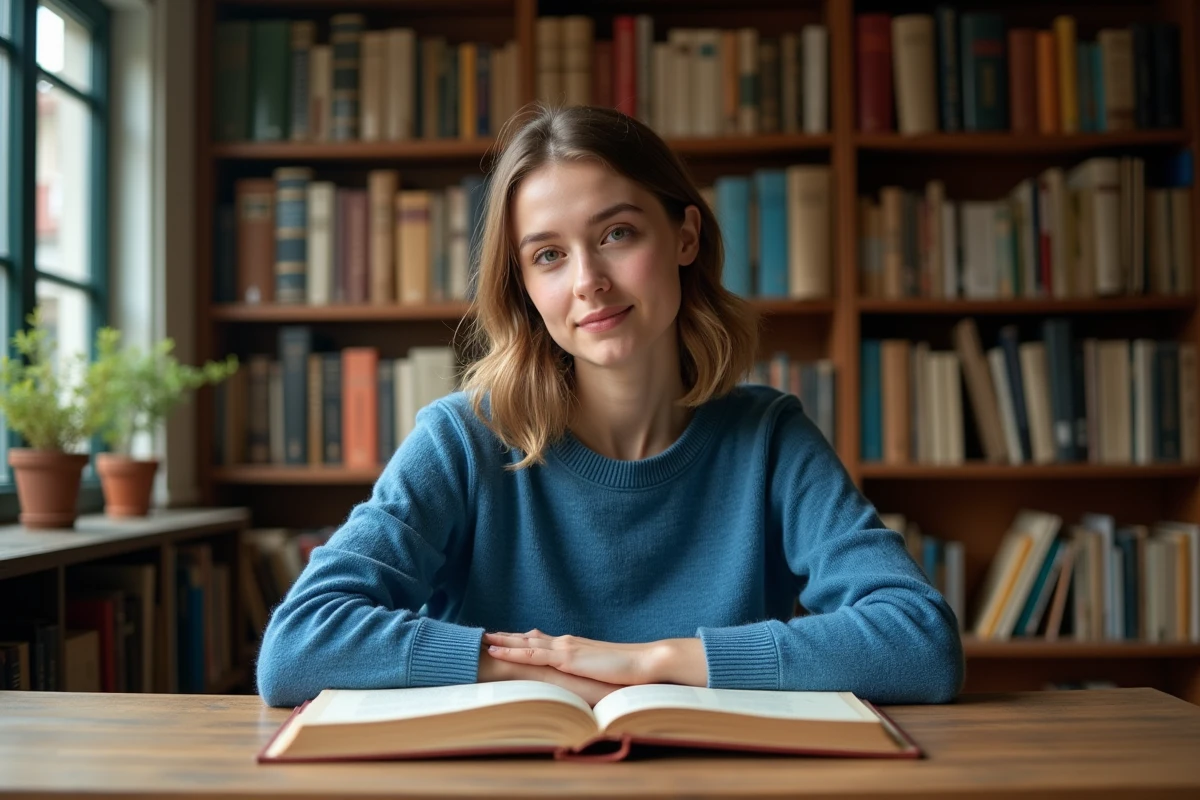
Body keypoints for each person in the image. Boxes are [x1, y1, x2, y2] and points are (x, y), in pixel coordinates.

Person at [256, 105, 964, 709]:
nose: (588, 281)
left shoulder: (769, 438)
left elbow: (919, 643)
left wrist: (650, 665)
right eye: (548, 256)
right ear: (524, 288)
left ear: (684, 236)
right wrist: (540, 672)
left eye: (617, 234)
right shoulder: (462, 439)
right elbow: (299, 646)